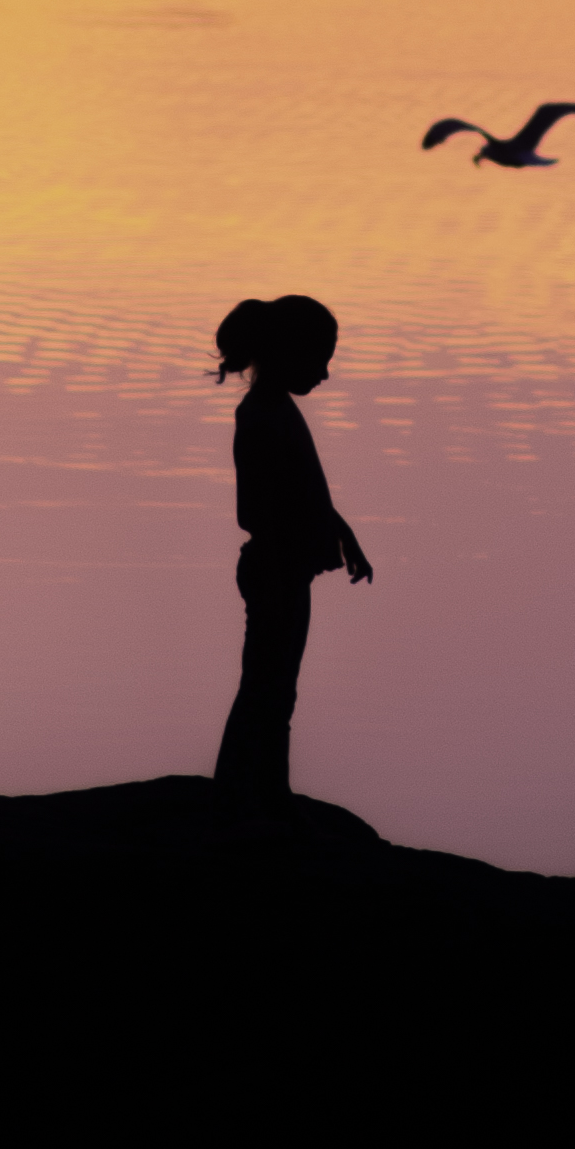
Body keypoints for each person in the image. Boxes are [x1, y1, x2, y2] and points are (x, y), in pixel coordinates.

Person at [212, 294, 373, 806]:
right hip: (274, 571)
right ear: (288, 351)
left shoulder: (278, 410)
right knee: (267, 689)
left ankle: (257, 791)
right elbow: (254, 510)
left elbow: (309, 492)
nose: (325, 373)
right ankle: (248, 794)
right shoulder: (260, 415)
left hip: (286, 570)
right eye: (320, 358)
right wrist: (299, 541)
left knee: (275, 688)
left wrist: (344, 537)